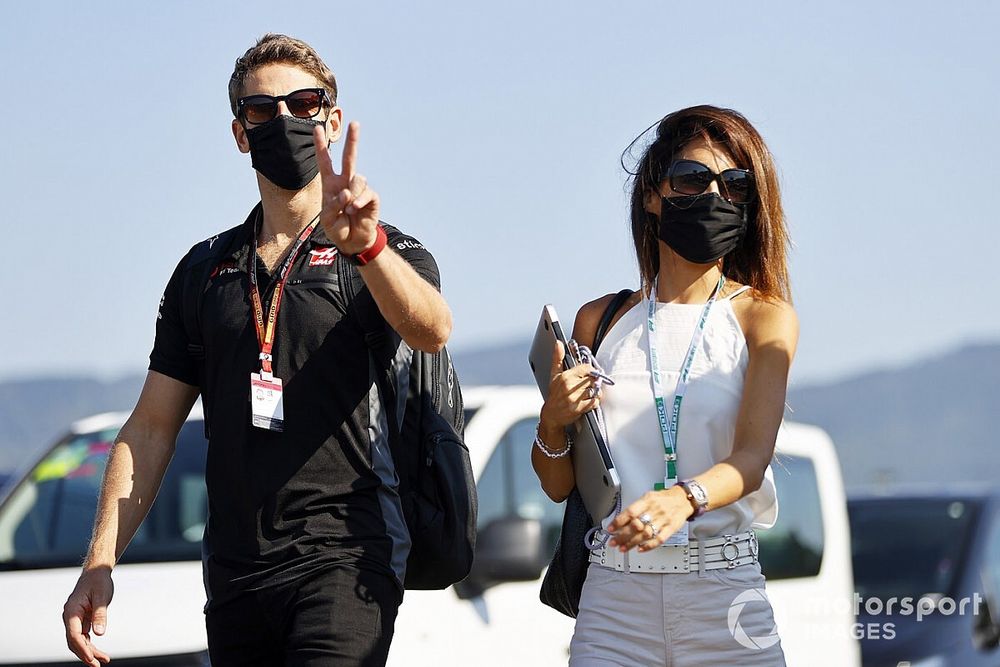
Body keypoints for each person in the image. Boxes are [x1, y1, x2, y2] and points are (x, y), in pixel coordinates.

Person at [61, 34, 451, 667]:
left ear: (330, 116)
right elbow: (152, 428)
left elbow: (432, 330)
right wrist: (100, 561)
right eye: (264, 111)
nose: (286, 121)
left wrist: (369, 247)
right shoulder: (205, 270)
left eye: (304, 103)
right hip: (235, 573)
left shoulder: (382, 252)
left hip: (346, 558)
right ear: (240, 133)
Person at [532, 105, 797, 665]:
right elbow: (560, 485)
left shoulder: (762, 317)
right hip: (613, 599)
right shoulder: (598, 321)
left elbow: (752, 457)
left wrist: (684, 498)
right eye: (693, 179)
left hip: (725, 592)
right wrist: (552, 418)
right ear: (653, 195)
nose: (714, 197)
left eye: (736, 186)